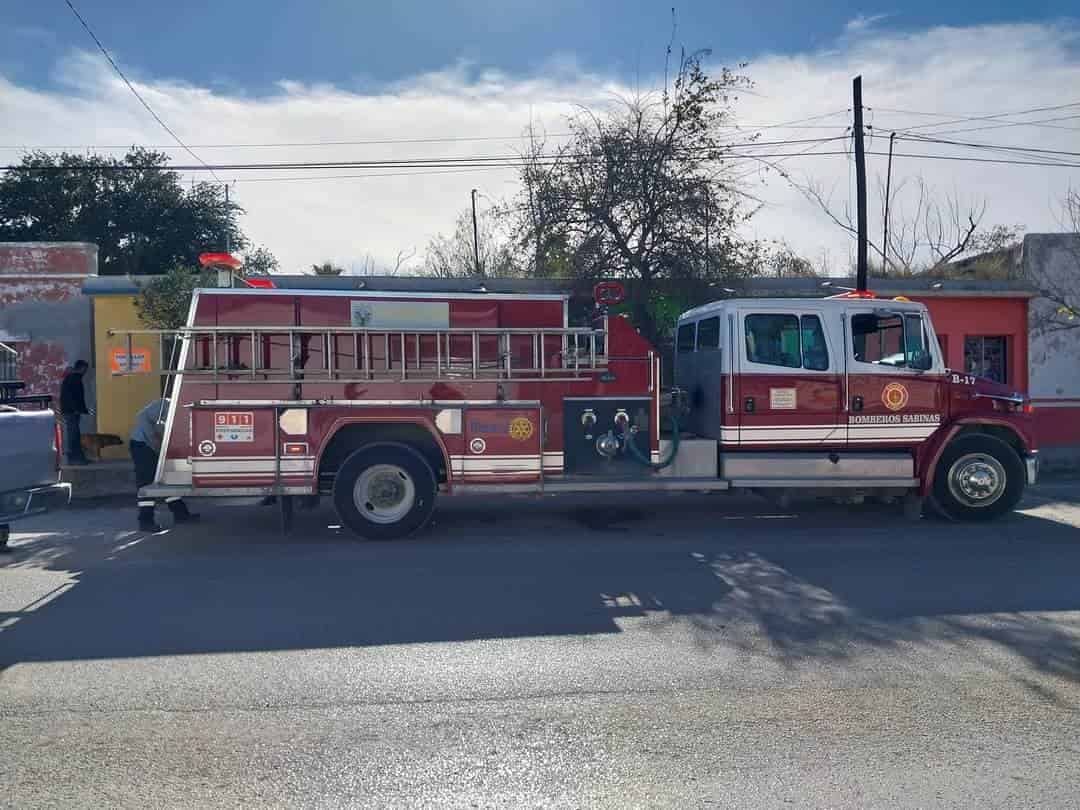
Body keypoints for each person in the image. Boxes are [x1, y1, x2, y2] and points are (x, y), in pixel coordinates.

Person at [130, 397, 199, 532]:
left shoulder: (183, 410)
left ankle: (180, 513)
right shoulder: (165, 404)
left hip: (155, 447)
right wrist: (153, 438)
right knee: (146, 481)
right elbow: (141, 416)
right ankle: (145, 521)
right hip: (143, 445)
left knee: (167, 479)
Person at [59, 360, 92, 465]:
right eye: (85, 369)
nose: (86, 371)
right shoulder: (75, 379)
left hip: (69, 410)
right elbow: (76, 397)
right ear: (82, 368)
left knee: (74, 434)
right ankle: (75, 459)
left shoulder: (70, 378)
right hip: (72, 411)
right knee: (74, 435)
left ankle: (77, 458)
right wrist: (79, 409)